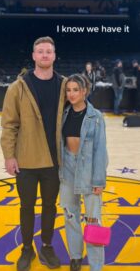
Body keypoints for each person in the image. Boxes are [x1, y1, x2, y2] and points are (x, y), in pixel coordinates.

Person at [0, 36, 66, 271]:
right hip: (26, 160)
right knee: (26, 206)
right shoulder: (17, 88)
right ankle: (27, 249)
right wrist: (9, 155)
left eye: (49, 51)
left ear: (55, 55)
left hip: (54, 161)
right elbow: (9, 125)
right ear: (33, 56)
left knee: (50, 206)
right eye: (41, 51)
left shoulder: (65, 85)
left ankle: (47, 246)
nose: (45, 55)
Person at [59, 74, 108, 271]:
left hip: (88, 171)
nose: (71, 94)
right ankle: (76, 257)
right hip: (68, 168)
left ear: (84, 91)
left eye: (75, 90)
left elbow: (100, 150)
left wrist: (99, 180)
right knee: (70, 215)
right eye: (68, 90)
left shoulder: (95, 117)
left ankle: (96, 264)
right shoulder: (63, 113)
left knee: (93, 219)